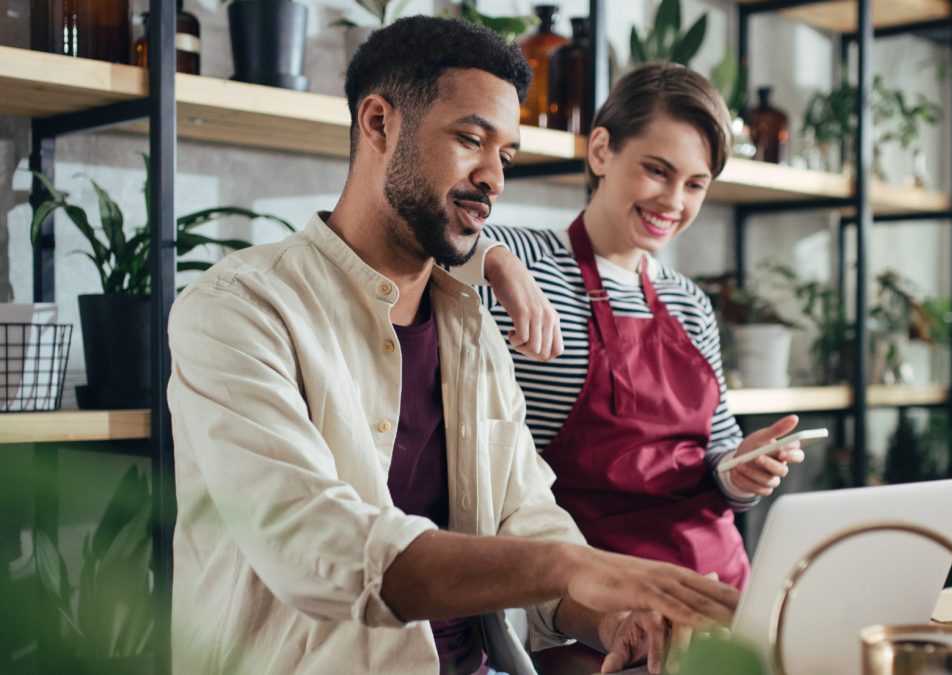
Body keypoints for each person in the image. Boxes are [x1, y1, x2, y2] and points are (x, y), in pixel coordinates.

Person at [167, 16, 739, 675]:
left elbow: (525, 514)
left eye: (507, 157)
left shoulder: (471, 326)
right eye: (472, 139)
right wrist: (577, 564)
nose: (494, 177)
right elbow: (316, 545)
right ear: (379, 123)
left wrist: (609, 616)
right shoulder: (240, 308)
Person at [471, 63, 807, 649]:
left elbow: (714, 457)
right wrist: (493, 261)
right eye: (657, 170)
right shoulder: (521, 260)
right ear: (601, 150)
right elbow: (423, 246)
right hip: (595, 609)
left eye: (696, 184)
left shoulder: (690, 302)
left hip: (716, 589)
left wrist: (742, 471)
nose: (673, 202)